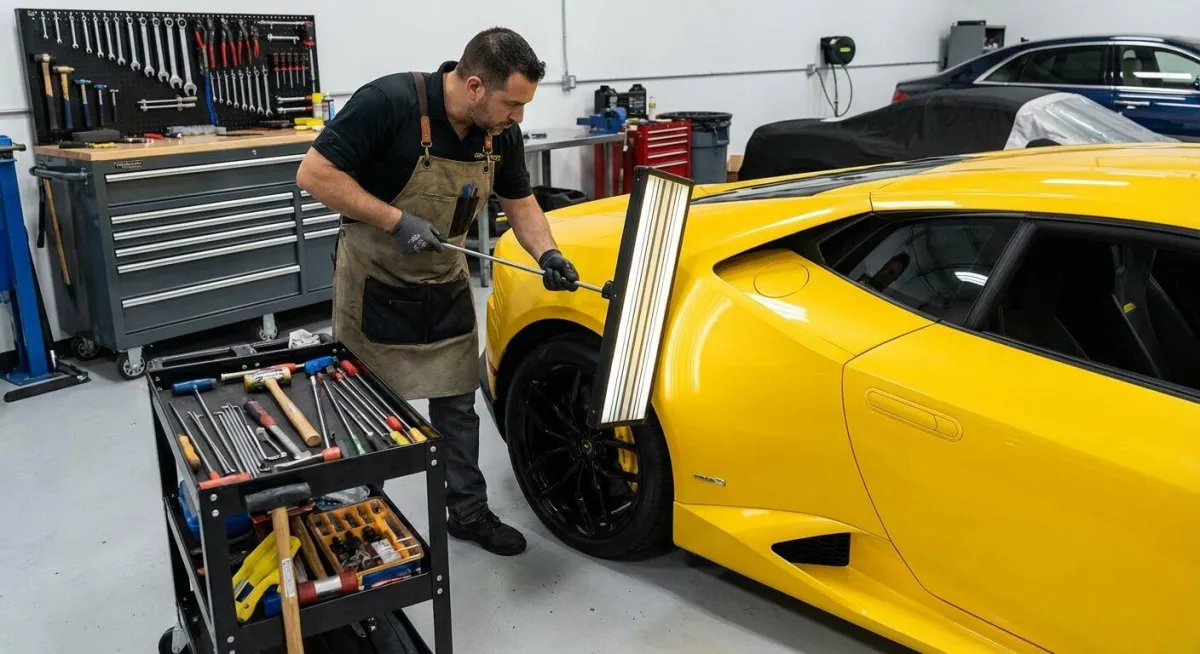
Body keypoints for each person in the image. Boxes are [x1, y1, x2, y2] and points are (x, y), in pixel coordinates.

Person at [296, 27, 580, 556]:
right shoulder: (388, 103)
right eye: (512, 104)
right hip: (375, 278)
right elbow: (314, 174)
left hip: (443, 277)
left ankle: (467, 513)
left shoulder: (499, 133)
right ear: (474, 87)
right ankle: (358, 518)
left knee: (457, 405)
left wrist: (548, 254)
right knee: (364, 407)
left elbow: (520, 201)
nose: (519, 117)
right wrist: (393, 219)